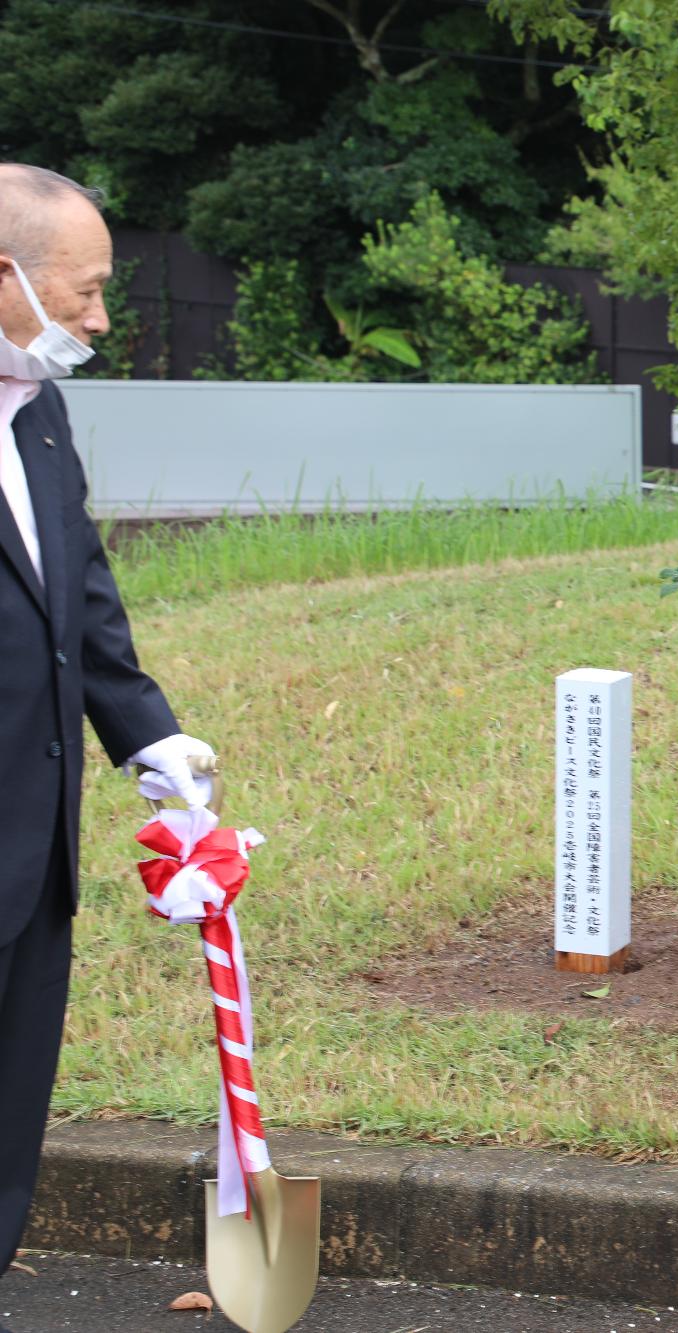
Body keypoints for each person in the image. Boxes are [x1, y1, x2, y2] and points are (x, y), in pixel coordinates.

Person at [0, 163, 212, 1298]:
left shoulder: (39, 410)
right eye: (79, 293)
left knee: (7, 1129)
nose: (96, 317)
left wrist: (147, 734)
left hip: (33, 852)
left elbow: (76, 587)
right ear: (2, 275)